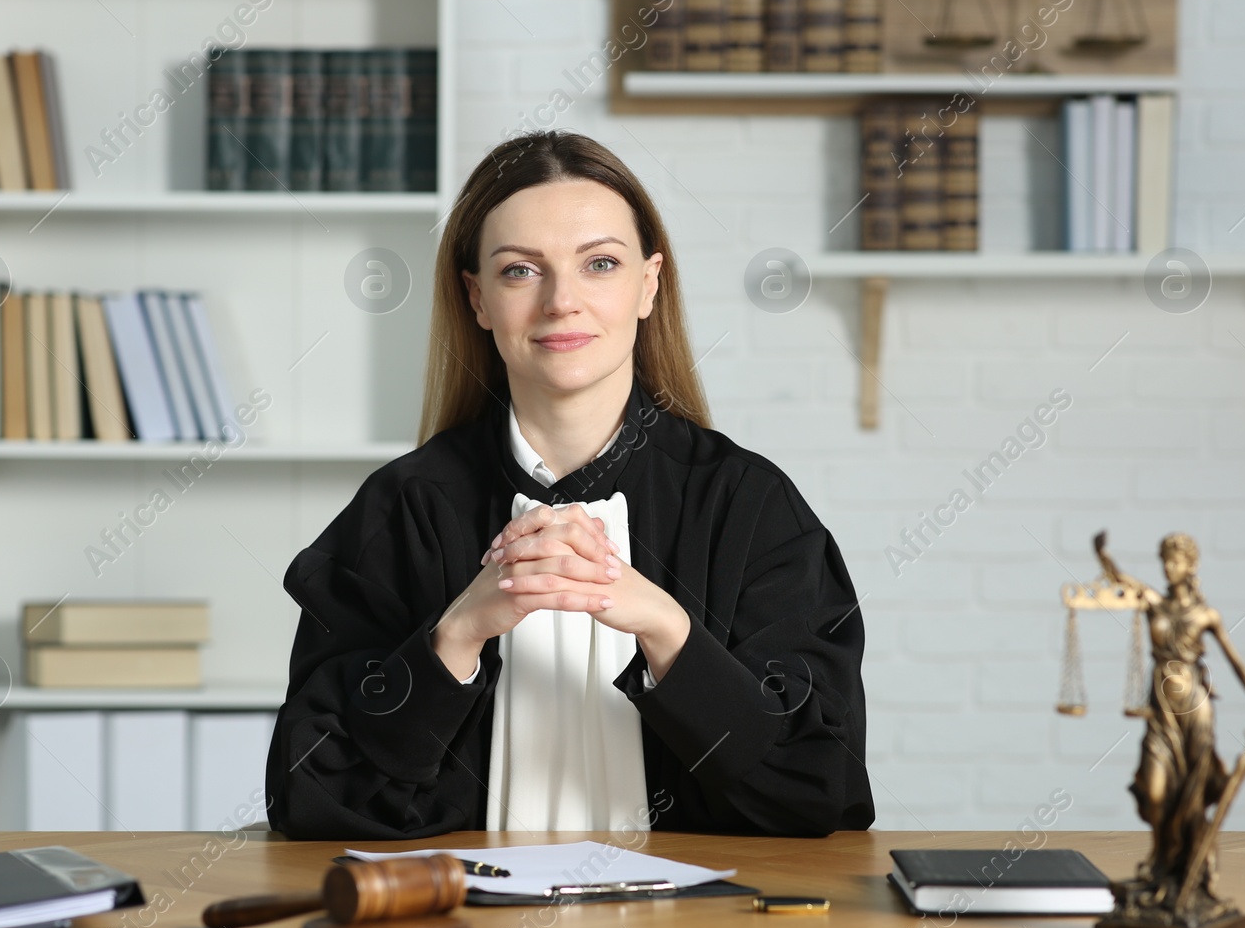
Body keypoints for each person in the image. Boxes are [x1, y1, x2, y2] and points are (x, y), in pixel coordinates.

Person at [265, 130, 873, 840]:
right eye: (521, 271)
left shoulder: (751, 505)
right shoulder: (399, 511)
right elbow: (306, 798)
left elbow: (819, 793)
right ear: (478, 298)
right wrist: (456, 636)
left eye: (601, 264)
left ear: (648, 285)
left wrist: (664, 626)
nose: (562, 302)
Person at [1093, 530, 1245, 919]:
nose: (1168, 568)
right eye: (1165, 561)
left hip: (1195, 713)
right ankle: (1161, 867)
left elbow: (1235, 662)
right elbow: (1124, 582)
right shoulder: (1155, 604)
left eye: (1175, 561)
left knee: (1189, 800)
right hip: (1161, 715)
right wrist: (1102, 557)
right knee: (1155, 793)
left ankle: (1186, 877)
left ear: (1191, 566)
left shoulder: (1206, 615)